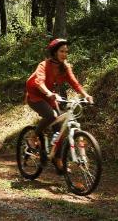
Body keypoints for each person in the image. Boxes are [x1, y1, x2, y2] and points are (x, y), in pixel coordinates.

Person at [24, 38, 93, 170]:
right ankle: (32, 137)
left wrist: (86, 95)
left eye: (66, 52)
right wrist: (48, 93)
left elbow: (75, 83)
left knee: (60, 129)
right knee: (51, 115)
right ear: (54, 52)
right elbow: (39, 82)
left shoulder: (65, 67)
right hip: (35, 95)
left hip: (50, 95)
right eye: (62, 51)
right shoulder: (44, 65)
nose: (65, 54)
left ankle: (57, 159)